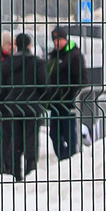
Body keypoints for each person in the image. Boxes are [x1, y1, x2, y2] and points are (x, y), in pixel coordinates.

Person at [0, 31, 43, 180]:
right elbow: (44, 84)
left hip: (13, 108)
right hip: (32, 107)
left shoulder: (7, 64)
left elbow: (2, 84)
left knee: (15, 140)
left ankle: (15, 173)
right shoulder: (37, 63)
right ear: (29, 45)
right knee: (31, 139)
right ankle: (31, 170)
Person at [43, 27, 86, 164]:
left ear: (65, 39)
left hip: (68, 103)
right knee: (54, 134)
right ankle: (63, 159)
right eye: (54, 40)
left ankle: (71, 160)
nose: (57, 42)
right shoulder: (53, 57)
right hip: (55, 103)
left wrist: (71, 95)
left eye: (59, 39)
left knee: (69, 133)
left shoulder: (74, 56)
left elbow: (81, 79)